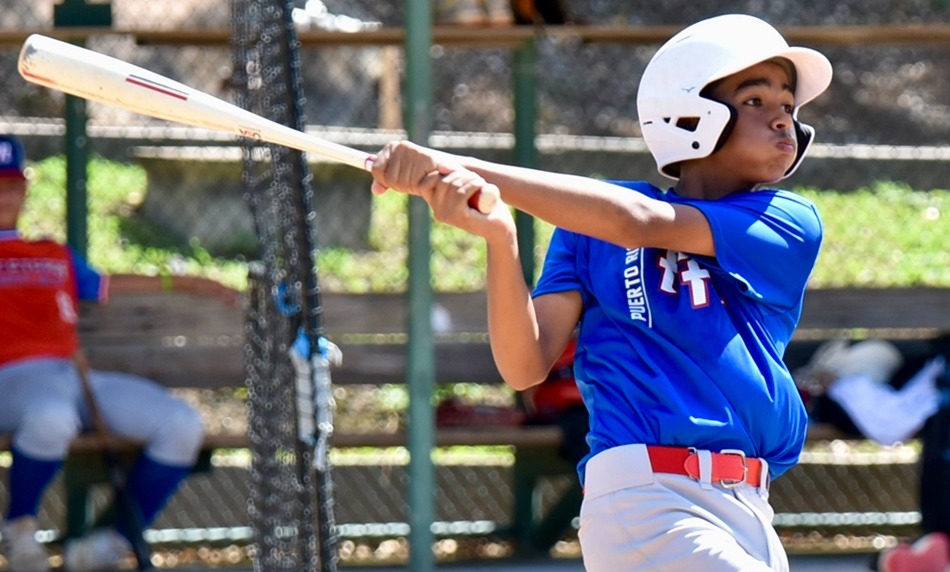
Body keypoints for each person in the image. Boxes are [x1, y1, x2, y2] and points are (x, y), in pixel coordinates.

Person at [369, 13, 832, 571]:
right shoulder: (592, 227)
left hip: (750, 506)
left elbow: (638, 220)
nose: (784, 120)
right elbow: (525, 364)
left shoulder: (783, 221)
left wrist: (458, 166)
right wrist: (499, 235)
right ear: (688, 114)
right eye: (756, 101)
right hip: (647, 498)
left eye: (788, 106)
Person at [0, 134, 241, 572]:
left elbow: (106, 285)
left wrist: (184, 282)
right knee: (52, 416)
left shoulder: (52, 252)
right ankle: (18, 532)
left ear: (25, 189)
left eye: (12, 184)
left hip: (72, 378)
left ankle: (105, 547)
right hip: (12, 383)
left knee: (180, 424)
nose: (5, 194)